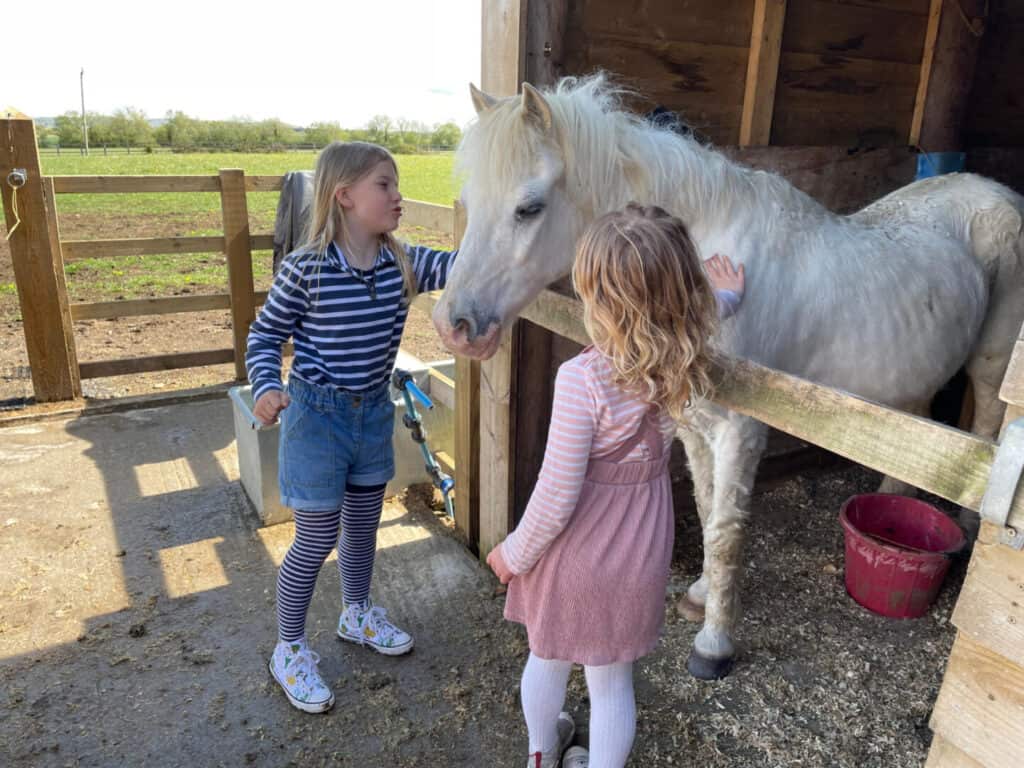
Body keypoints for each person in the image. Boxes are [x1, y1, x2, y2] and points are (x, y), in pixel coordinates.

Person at [486, 204, 745, 768]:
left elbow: (555, 498)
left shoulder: (582, 379)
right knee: (611, 683)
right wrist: (728, 294)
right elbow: (708, 317)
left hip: (576, 552)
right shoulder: (686, 351)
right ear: (680, 296)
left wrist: (512, 554)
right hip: (639, 549)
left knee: (547, 657)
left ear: (602, 302)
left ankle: (539, 752)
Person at [246, 141, 455, 713]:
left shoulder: (404, 262)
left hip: (370, 414)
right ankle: (288, 648)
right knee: (315, 538)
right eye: (384, 185)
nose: (398, 196)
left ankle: (356, 614)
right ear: (344, 197)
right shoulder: (306, 268)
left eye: (397, 184)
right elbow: (264, 337)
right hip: (316, 418)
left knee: (363, 528)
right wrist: (266, 386)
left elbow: (468, 266)